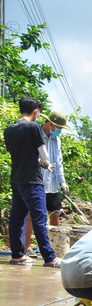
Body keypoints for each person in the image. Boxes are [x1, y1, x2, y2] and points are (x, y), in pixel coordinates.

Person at [3, 96, 61, 267]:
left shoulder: (9, 129)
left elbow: (20, 154)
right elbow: (44, 155)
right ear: (36, 111)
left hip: (17, 179)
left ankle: (17, 255)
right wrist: (46, 163)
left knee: (17, 218)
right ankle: (50, 258)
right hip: (32, 180)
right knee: (40, 218)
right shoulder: (33, 127)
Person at [22, 110, 71, 256]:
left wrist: (62, 181)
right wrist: (41, 163)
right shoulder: (37, 135)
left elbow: (58, 161)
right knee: (32, 214)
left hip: (52, 183)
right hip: (38, 180)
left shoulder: (56, 140)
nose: (60, 131)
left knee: (55, 213)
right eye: (59, 128)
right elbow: (31, 156)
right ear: (51, 124)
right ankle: (27, 247)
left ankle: (55, 246)